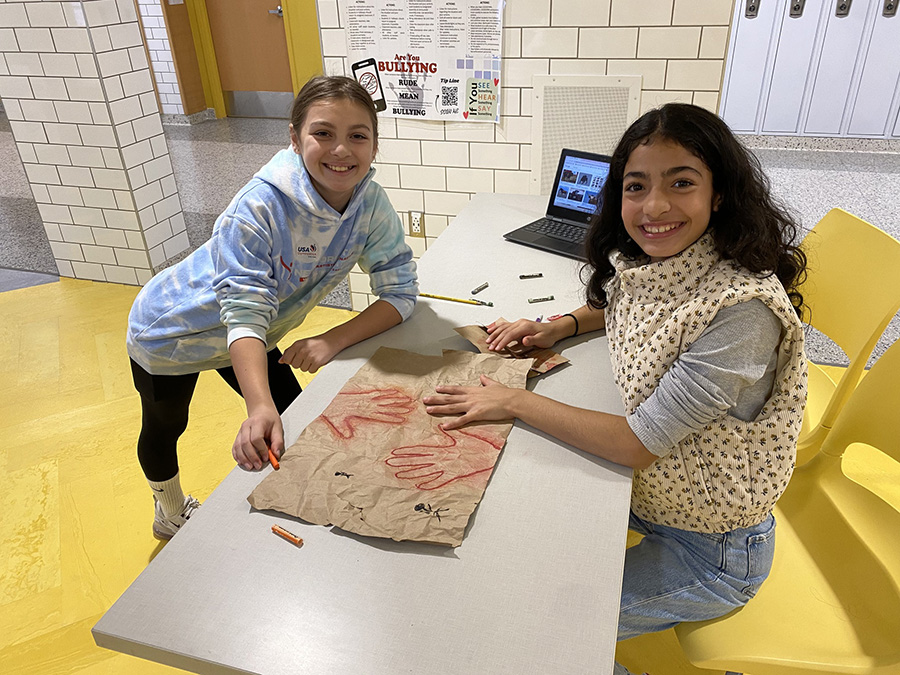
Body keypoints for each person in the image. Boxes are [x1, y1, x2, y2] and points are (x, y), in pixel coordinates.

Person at [423, 103, 807, 675]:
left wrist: (515, 400)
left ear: (719, 193)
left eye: (681, 183)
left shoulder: (742, 311)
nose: (654, 206)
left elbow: (635, 443)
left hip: (712, 548)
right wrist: (557, 325)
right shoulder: (659, 258)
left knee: (543, 632)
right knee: (503, 548)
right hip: (650, 498)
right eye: (636, 186)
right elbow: (622, 299)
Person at [127, 75, 418, 541]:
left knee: (292, 413)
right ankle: (169, 510)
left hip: (255, 331)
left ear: (374, 146)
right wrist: (256, 404)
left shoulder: (370, 205)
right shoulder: (259, 207)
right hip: (171, 332)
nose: (341, 150)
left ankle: (311, 492)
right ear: (294, 137)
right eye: (323, 133)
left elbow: (400, 292)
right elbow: (243, 311)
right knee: (167, 425)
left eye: (357, 136)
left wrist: (331, 339)